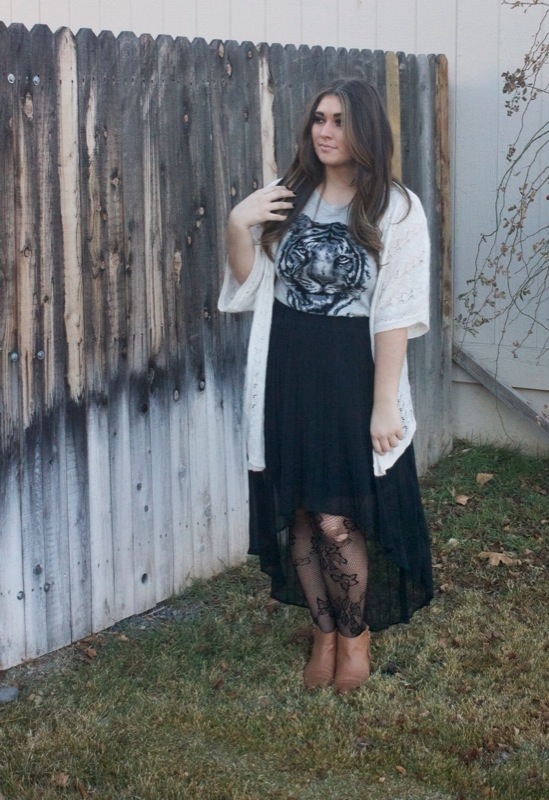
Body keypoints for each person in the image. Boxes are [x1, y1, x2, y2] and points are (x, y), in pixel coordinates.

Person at [218, 77, 433, 693]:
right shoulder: (289, 193)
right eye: (319, 119)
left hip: (349, 372)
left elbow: (396, 313)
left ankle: (355, 635)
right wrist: (237, 225)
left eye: (339, 120)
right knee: (302, 510)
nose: (325, 131)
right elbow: (252, 285)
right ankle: (323, 631)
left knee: (338, 517)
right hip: (286, 367)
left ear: (365, 129)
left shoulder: (396, 208)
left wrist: (384, 403)